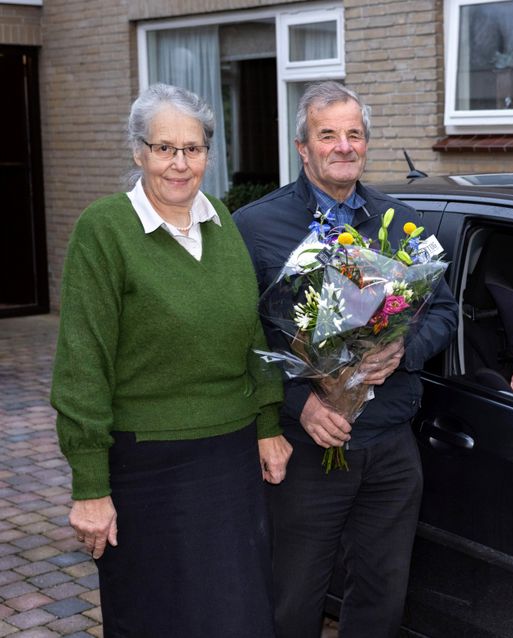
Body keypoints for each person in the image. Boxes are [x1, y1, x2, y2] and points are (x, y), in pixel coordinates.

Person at [50, 83, 290, 637]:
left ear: (209, 153)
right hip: (147, 465)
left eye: (194, 148)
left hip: (230, 459)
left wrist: (268, 422)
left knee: (238, 615)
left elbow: (249, 329)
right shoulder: (104, 230)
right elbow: (82, 365)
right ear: (138, 152)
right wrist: (90, 484)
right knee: (157, 616)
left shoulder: (222, 222)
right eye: (164, 148)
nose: (180, 164)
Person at [233, 81, 458, 638]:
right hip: (309, 444)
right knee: (294, 596)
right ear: (302, 147)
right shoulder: (257, 227)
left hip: (389, 443)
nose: (343, 146)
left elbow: (444, 310)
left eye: (353, 134)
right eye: (327, 134)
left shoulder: (402, 224)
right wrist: (298, 402)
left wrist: (405, 350)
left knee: (383, 594)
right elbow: (236, 337)